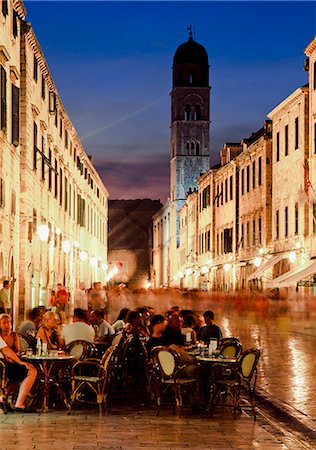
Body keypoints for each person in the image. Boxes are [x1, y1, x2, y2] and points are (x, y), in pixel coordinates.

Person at [0, 335, 37, 412]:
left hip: (3, 365)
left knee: (16, 374)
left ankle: (3, 398)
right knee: (31, 370)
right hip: (1, 366)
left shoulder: (13, 335)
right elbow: (5, 349)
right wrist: (20, 362)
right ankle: (19, 404)